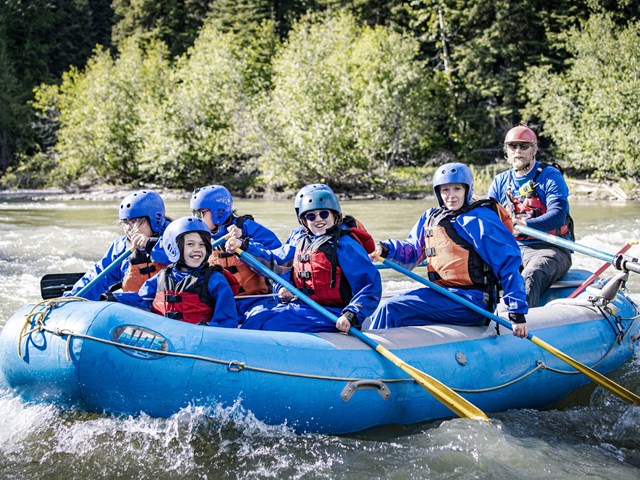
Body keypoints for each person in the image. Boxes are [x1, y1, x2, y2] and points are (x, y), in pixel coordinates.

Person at [371, 162, 529, 338]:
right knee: (389, 306)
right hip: (444, 295)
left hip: (472, 302)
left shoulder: (481, 219)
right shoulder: (431, 217)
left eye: (457, 189)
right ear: (438, 192)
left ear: (467, 191)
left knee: (392, 308)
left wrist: (517, 312)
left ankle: (372, 359)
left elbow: (508, 264)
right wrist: (385, 248)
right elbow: (413, 249)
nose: (451, 196)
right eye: (445, 190)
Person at [225, 188, 382, 333]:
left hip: (332, 313)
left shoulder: (346, 245)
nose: (318, 219)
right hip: (303, 307)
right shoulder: (300, 241)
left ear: (336, 216)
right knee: (255, 320)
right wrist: (244, 247)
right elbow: (275, 260)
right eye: (311, 216)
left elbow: (369, 284)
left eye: (324, 214)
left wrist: (351, 314)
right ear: (304, 220)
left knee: (271, 326)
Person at [488, 125, 573, 307]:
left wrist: (525, 224)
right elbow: (487, 218)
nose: (518, 150)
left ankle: (520, 324)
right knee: (479, 270)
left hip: (551, 249)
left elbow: (558, 215)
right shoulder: (500, 181)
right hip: (513, 247)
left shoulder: (550, 176)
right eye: (513, 146)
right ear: (507, 151)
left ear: (534, 149)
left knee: (530, 276)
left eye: (523, 146)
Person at [109, 217, 238, 328]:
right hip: (166, 341)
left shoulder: (215, 280)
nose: (197, 249)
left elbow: (227, 321)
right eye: (190, 244)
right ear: (173, 248)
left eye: (202, 245)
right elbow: (142, 301)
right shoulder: (162, 277)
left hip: (200, 342)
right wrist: (113, 299)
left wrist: (206, 329)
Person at [190, 185, 282, 317]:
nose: (196, 218)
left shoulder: (249, 229)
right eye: (194, 213)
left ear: (218, 212)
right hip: (221, 303)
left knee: (257, 319)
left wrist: (244, 242)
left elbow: (279, 260)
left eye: (200, 213)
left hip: (256, 301)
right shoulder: (200, 236)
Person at [65, 190, 170, 300]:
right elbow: (99, 275)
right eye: (125, 222)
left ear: (155, 220)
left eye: (135, 221)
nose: (128, 228)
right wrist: (73, 297)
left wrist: (151, 245)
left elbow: (180, 256)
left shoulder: (177, 237)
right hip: (138, 308)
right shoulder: (121, 247)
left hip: (170, 307)